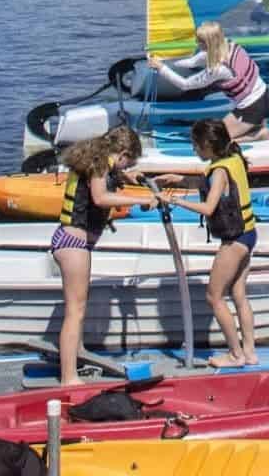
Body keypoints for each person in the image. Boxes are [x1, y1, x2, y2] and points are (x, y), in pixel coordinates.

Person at [49, 135, 159, 385]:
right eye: (127, 162)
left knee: (79, 308)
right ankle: (69, 377)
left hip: (76, 243)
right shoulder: (99, 164)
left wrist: (129, 178)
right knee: (74, 311)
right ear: (121, 153)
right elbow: (100, 197)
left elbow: (107, 183)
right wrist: (140, 199)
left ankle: (78, 351)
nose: (125, 167)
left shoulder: (97, 161)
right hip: (72, 245)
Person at [162, 119, 261, 368]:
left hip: (234, 240)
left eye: (195, 145)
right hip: (249, 234)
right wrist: (180, 180)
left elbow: (208, 207)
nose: (194, 149)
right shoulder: (234, 158)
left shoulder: (218, 171)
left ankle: (235, 355)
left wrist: (174, 201)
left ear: (207, 144)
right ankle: (249, 352)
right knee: (238, 294)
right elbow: (215, 183)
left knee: (214, 297)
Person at [147, 21, 269, 142]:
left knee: (218, 140)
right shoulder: (229, 45)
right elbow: (192, 62)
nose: (196, 44)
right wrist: (164, 61)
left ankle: (263, 135)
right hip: (265, 96)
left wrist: (161, 69)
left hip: (254, 108)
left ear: (209, 43)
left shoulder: (218, 69)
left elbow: (185, 84)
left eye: (200, 42)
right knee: (225, 133)